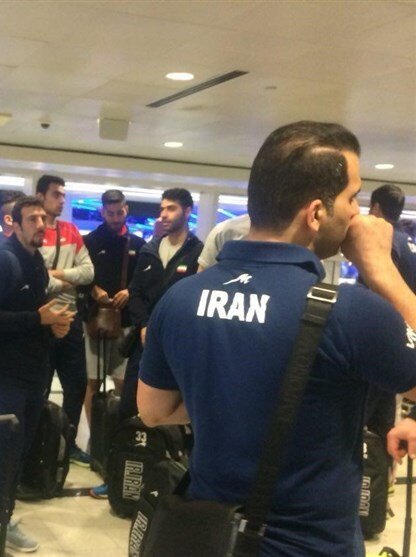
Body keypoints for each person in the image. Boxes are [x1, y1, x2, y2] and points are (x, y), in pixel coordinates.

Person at [138, 121, 416, 556]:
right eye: (352, 198)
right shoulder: (349, 312)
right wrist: (380, 266)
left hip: (211, 536)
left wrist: (239, 400)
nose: (357, 214)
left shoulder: (180, 298)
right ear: (316, 213)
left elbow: (154, 410)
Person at [0, 196, 75, 554]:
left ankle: (2, 518)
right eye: (32, 219)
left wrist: (53, 327)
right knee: (3, 452)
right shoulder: (4, 261)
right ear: (14, 224)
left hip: (34, 373)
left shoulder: (36, 263)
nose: (41, 224)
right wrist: (37, 319)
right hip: (5, 375)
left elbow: (36, 315)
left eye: (43, 218)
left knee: (17, 452)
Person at [83, 189, 145, 498]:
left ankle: (117, 439)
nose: (115, 217)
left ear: (126, 209)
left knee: (123, 385)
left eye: (119, 212)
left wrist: (130, 292)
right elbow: (82, 277)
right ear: (102, 212)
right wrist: (93, 289)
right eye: (110, 213)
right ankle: (97, 440)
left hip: (126, 323)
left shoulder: (138, 244)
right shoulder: (90, 242)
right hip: (96, 321)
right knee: (92, 382)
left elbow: (143, 281)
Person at [125, 188, 202, 419]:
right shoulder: (149, 250)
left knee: (168, 409)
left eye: (171, 208)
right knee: (130, 405)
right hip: (144, 340)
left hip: (178, 342)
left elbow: (195, 298)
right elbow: (135, 291)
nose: (164, 214)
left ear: (187, 211)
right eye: (162, 209)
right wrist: (144, 324)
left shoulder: (199, 253)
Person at [35, 174, 94, 466]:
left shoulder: (70, 231)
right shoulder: (32, 231)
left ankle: (67, 444)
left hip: (70, 321)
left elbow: (88, 273)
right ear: (40, 196)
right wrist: (67, 280)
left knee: (76, 386)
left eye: (63, 195)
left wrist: (56, 275)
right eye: (56, 194)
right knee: (40, 387)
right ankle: (37, 444)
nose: (61, 200)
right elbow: (36, 280)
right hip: (42, 323)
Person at [363, 184, 416, 495]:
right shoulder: (409, 242)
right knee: (385, 417)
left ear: (376, 208)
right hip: (403, 343)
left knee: (365, 421)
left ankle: (371, 486)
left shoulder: (382, 243)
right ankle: (382, 485)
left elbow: (376, 296)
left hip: (382, 340)